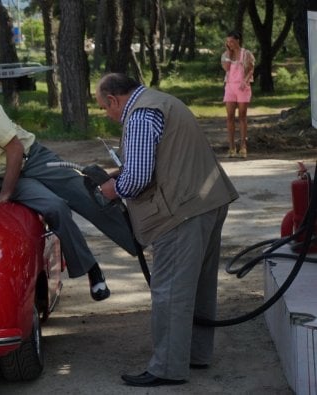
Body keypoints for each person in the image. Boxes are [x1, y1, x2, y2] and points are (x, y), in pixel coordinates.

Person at [95, 73, 239, 387]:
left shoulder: (139, 115)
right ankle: (195, 355)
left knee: (170, 292)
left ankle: (167, 368)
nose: (108, 115)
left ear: (113, 100)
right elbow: (164, 156)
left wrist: (113, 188)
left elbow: (138, 179)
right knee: (199, 286)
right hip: (208, 202)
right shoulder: (164, 102)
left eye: (104, 108)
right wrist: (124, 170)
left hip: (181, 212)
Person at [0, 97, 138, 302]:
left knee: (88, 195)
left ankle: (142, 244)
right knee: (55, 207)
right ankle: (91, 268)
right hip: (3, 178)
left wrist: (5, 193)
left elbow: (15, 147)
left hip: (33, 158)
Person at [221, 30, 255, 159]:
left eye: (232, 41)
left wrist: (245, 81)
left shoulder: (246, 54)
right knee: (229, 116)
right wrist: (229, 53)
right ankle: (231, 147)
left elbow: (251, 69)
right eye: (228, 41)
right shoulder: (225, 54)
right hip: (230, 86)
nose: (230, 43)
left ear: (238, 40)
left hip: (242, 87)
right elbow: (226, 68)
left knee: (242, 116)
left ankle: (243, 146)